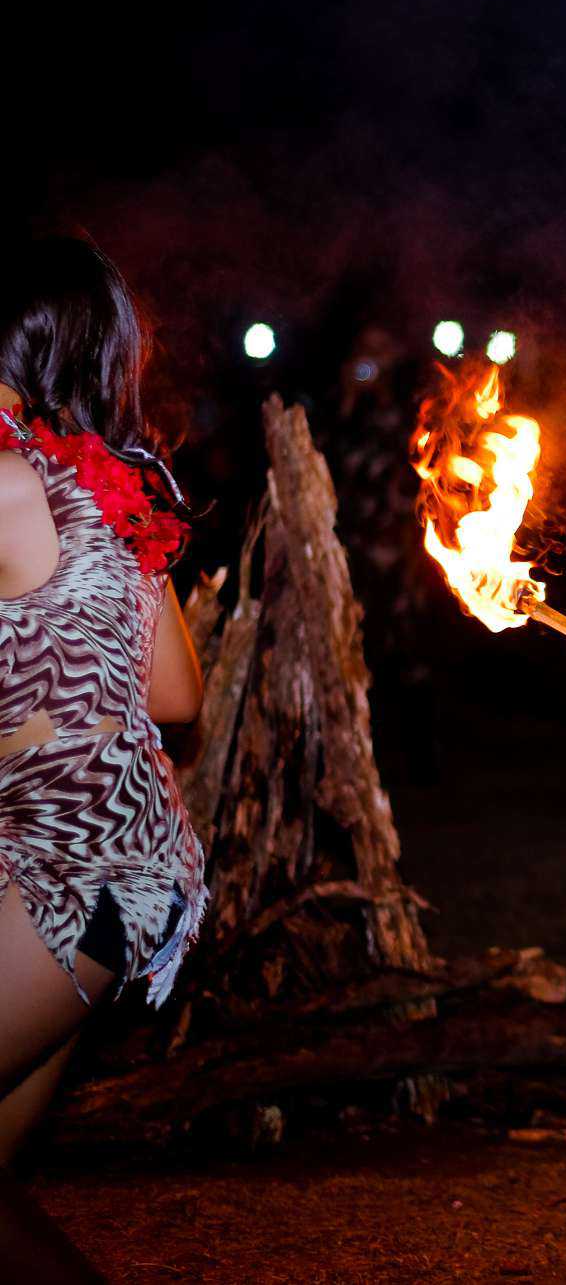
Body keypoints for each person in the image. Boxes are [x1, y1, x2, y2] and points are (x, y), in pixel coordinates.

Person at [0, 237, 207, 1282]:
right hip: (140, 876)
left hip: (70, 880)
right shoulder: (103, 487)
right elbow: (177, 696)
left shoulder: (2, 481)